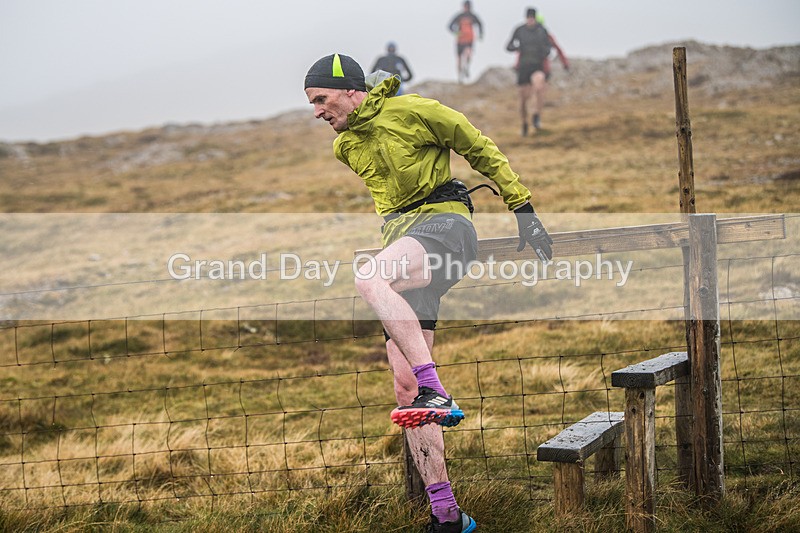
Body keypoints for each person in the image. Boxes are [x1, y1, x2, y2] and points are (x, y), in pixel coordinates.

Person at [304, 53, 553, 533]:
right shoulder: (346, 147)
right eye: (312, 103)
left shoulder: (414, 110)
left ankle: (436, 389)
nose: (316, 110)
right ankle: (447, 514)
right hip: (405, 243)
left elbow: (478, 146)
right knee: (403, 391)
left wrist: (523, 207)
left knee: (368, 278)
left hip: (446, 227)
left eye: (321, 98)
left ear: (352, 90)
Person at [506, 7, 570, 136]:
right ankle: (524, 124)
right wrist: (518, 47)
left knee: (539, 86)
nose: (530, 19)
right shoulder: (519, 30)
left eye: (532, 17)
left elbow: (552, 47)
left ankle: (536, 115)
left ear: (535, 18)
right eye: (528, 17)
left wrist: (563, 62)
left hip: (538, 66)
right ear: (526, 18)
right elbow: (508, 46)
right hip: (523, 68)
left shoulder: (542, 31)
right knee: (523, 99)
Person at [448, 1, 483, 83]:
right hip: (460, 39)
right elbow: (449, 26)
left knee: (468, 53)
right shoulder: (459, 16)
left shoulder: (473, 16)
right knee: (459, 58)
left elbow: (480, 24)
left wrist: (481, 34)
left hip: (469, 39)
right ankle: (460, 77)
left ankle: (466, 66)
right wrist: (456, 32)